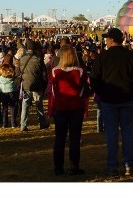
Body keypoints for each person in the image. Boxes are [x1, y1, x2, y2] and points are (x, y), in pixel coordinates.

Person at [90, 27, 133, 178]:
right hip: (127, 100)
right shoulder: (132, 56)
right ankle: (129, 165)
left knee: (111, 134)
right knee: (128, 133)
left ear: (112, 40)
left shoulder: (102, 57)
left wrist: (102, 93)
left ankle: (112, 166)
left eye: (107, 38)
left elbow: (94, 80)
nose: (105, 41)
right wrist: (132, 91)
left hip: (109, 101)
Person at [48, 44, 89, 175]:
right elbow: (84, 88)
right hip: (76, 108)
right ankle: (74, 167)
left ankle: (58, 167)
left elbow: (53, 90)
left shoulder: (55, 71)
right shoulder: (80, 71)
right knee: (74, 138)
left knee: (59, 138)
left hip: (60, 108)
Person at [17, 40, 49, 131]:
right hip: (36, 84)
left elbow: (19, 71)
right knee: (39, 104)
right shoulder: (38, 58)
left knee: (25, 105)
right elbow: (43, 73)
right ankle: (42, 123)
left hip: (26, 84)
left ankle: (23, 125)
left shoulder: (22, 58)